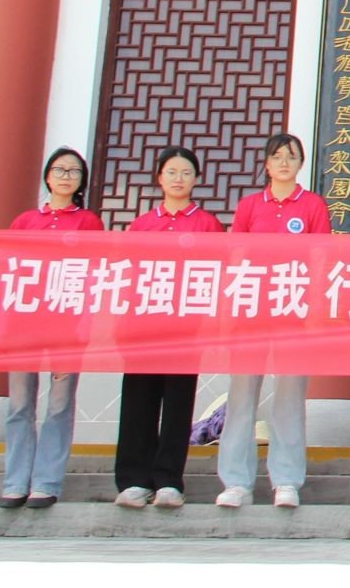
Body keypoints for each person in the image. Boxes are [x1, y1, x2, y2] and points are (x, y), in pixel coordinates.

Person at [218, 132, 333, 510]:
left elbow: (321, 260)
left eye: (291, 156)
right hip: (251, 313)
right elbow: (236, 258)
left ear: (301, 164)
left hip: (294, 314)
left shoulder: (313, 205)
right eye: (277, 156)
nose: (284, 162)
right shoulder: (250, 206)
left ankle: (286, 480)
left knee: (289, 399)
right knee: (241, 399)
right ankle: (236, 481)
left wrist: (315, 312)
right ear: (267, 164)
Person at [116, 146, 223, 510]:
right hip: (142, 327)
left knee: (178, 405)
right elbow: (127, 275)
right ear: (159, 177)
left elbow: (216, 274)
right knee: (138, 404)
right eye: (172, 172)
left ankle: (168, 480)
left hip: (186, 329)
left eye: (186, 172)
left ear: (196, 179)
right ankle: (133, 479)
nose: (179, 179)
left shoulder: (207, 224)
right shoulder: (142, 224)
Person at [1, 147, 105, 511]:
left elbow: (93, 276)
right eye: (60, 169)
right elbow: (9, 271)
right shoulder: (25, 221)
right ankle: (15, 481)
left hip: (67, 327)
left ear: (82, 181)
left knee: (58, 406)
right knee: (19, 405)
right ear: (47, 175)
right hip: (23, 325)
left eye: (74, 171)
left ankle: (46, 482)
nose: (66, 176)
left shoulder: (89, 222)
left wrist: (86, 328)